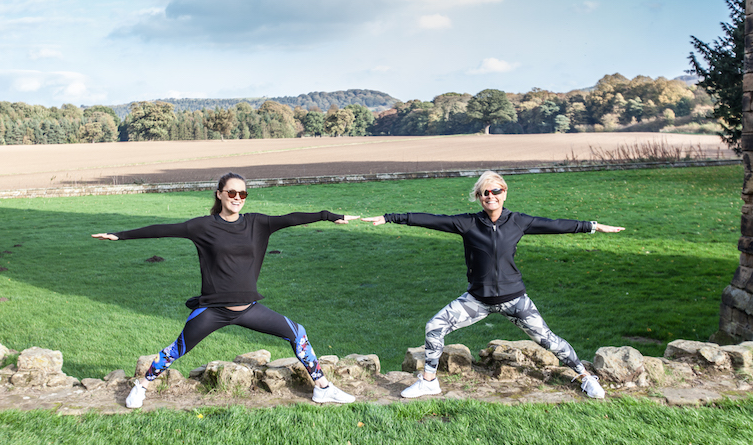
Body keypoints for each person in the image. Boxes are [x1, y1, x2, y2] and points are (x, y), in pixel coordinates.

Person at [93, 172, 357, 408]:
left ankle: (322, 388)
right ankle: (141, 386)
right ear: (219, 194)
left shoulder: (257, 223)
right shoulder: (203, 226)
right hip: (213, 311)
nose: (237, 197)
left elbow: (291, 218)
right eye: (231, 192)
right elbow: (163, 230)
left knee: (298, 333)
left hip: (249, 309)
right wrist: (120, 235)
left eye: (242, 193)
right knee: (175, 350)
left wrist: (328, 216)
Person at [362, 171, 625, 400]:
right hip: (478, 300)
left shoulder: (519, 221)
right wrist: (389, 217)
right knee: (435, 326)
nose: (490, 196)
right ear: (479, 196)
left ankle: (585, 377)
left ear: (504, 193)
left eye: (495, 191)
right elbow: (430, 219)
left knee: (549, 341)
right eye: (484, 192)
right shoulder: (468, 223)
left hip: (515, 301)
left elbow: (555, 225)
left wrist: (594, 226)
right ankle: (429, 382)